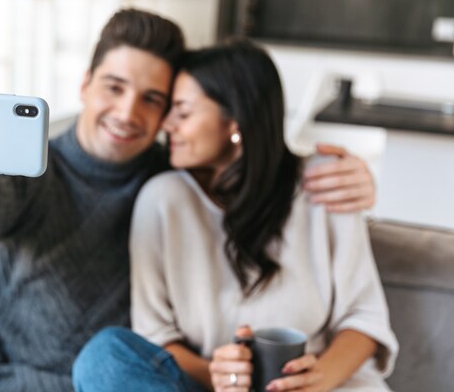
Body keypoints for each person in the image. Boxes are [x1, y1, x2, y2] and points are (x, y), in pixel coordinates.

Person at [0, 9, 377, 391]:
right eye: (114, 87)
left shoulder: (173, 175)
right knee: (107, 355)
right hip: (43, 382)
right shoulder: (34, 171)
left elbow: (244, 166)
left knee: (109, 356)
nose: (128, 112)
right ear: (86, 85)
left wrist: (323, 168)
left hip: (147, 380)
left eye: (155, 101)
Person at [72, 40, 397, 392]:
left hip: (326, 385)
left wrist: (317, 380)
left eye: (182, 112)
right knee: (106, 356)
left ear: (234, 120)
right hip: (212, 386)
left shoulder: (326, 183)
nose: (167, 125)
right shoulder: (163, 199)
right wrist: (220, 374)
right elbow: (156, 337)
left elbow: (364, 320)